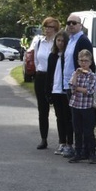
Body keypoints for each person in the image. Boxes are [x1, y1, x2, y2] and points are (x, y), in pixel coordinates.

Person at [60, 13, 94, 158]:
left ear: (80, 25)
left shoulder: (83, 40)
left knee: (83, 123)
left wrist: (82, 80)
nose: (71, 25)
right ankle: (78, 149)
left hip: (80, 87)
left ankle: (87, 151)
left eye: (74, 23)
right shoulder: (70, 40)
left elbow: (88, 62)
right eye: (68, 23)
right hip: (70, 83)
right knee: (73, 121)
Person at [31, 17, 59, 150]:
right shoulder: (39, 42)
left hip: (54, 77)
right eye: (46, 27)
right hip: (41, 76)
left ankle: (63, 141)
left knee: (59, 110)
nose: (48, 30)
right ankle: (44, 139)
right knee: (42, 110)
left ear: (56, 29)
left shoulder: (58, 43)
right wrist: (38, 72)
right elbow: (37, 59)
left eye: (51, 27)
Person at [68, 49, 96, 164]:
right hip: (76, 105)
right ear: (78, 61)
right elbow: (71, 86)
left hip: (87, 107)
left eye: (86, 61)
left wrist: (77, 89)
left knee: (88, 131)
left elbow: (89, 91)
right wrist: (76, 74)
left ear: (90, 62)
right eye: (81, 61)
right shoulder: (76, 73)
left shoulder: (91, 76)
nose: (83, 63)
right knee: (77, 130)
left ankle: (91, 153)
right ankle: (78, 153)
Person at [47, 30, 74, 156]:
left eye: (63, 41)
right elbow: (49, 74)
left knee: (67, 118)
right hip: (55, 90)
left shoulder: (67, 55)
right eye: (58, 40)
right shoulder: (52, 56)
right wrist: (48, 91)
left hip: (65, 90)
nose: (60, 43)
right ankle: (61, 142)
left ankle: (69, 143)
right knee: (59, 118)